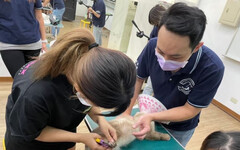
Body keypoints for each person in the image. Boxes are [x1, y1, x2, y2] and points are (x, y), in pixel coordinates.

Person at [4, 28, 136, 150]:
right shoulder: (34, 94)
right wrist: (81, 138)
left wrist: (100, 120)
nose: (92, 105)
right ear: (80, 87)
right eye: (92, 100)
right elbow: (32, 132)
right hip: (30, 142)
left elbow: (88, 103)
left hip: (63, 128)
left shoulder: (85, 68)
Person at [121, 2, 225, 147]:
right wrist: (126, 113)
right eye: (161, 52)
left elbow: (190, 109)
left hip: (180, 128)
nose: (165, 60)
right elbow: (137, 81)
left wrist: (151, 116)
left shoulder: (212, 68)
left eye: (175, 57)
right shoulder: (152, 45)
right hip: (152, 113)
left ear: (196, 47)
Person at [0, 0, 47, 78]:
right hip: (9, 44)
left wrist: (44, 40)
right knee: (19, 80)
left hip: (33, 43)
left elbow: (39, 17)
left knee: (30, 80)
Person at [143, 2, 170, 95]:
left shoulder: (175, 31)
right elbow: (150, 41)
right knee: (149, 86)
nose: (156, 26)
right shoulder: (156, 28)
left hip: (169, 65)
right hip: (157, 61)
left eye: (157, 23)